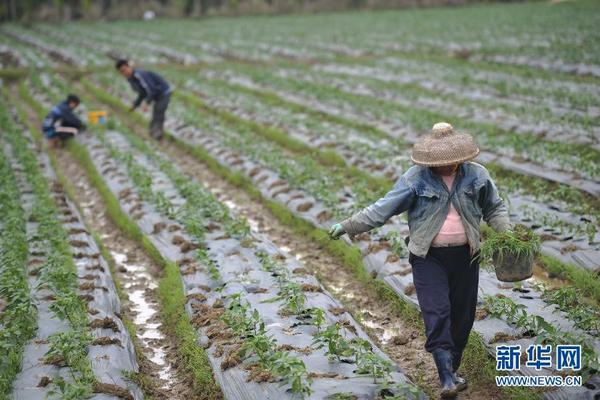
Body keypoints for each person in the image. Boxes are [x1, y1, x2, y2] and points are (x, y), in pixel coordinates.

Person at [329, 122, 511, 398]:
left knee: (462, 319)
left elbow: (494, 207)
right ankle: (446, 377)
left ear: (460, 159)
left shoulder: (477, 176)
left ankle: (453, 366)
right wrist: (349, 225)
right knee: (437, 312)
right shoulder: (416, 179)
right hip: (429, 257)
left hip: (466, 257)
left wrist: (507, 234)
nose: (445, 167)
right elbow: (383, 208)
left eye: (450, 163)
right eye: (439, 163)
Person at [115, 59, 172, 140]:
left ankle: (157, 132)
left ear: (129, 67)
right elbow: (142, 93)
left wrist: (146, 102)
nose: (124, 73)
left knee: (159, 110)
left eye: (125, 70)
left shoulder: (140, 74)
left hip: (163, 91)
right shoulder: (130, 79)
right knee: (156, 111)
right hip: (156, 94)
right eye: (121, 72)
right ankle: (153, 131)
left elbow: (152, 89)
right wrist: (135, 104)